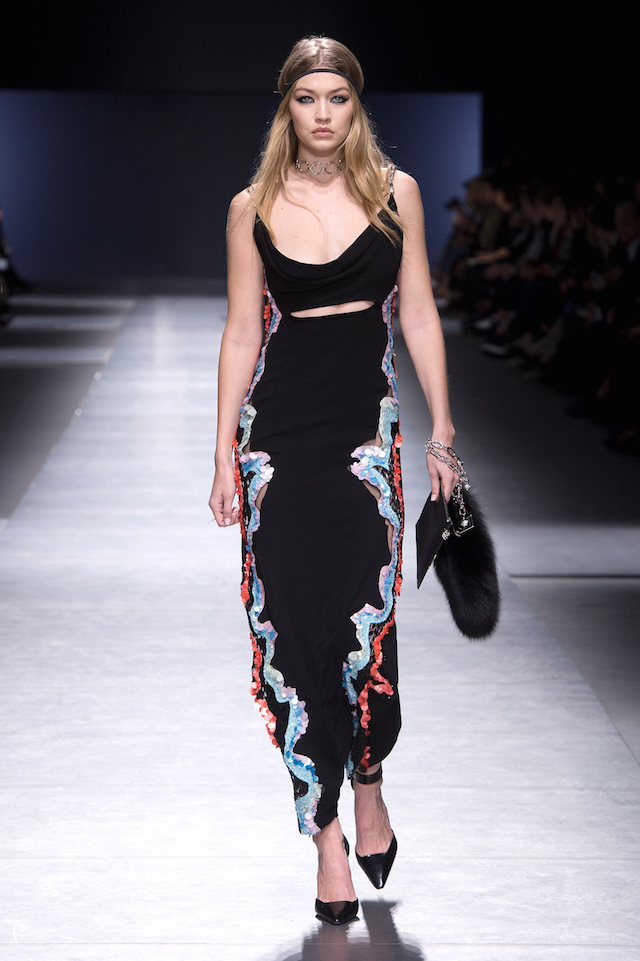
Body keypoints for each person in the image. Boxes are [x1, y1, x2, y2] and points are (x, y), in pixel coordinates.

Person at [209, 36, 458, 925]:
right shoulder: (252, 207)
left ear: (356, 105)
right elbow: (244, 330)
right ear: (287, 107)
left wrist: (443, 431)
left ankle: (369, 776)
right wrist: (222, 452)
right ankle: (324, 837)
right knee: (287, 630)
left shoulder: (397, 194)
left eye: (337, 98)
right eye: (307, 98)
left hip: (364, 438)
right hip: (278, 442)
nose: (322, 113)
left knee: (365, 619)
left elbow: (418, 312)